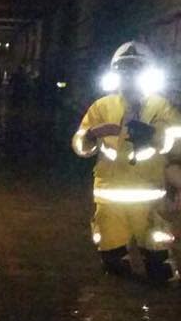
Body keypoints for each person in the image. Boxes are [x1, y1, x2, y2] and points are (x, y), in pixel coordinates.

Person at [72, 41, 181, 282]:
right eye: (124, 70)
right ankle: (120, 315)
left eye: (135, 70)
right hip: (110, 201)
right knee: (113, 271)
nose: (129, 76)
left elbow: (176, 140)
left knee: (160, 271)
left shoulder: (160, 107)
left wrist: (153, 134)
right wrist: (91, 135)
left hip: (150, 201)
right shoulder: (102, 107)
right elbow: (80, 145)